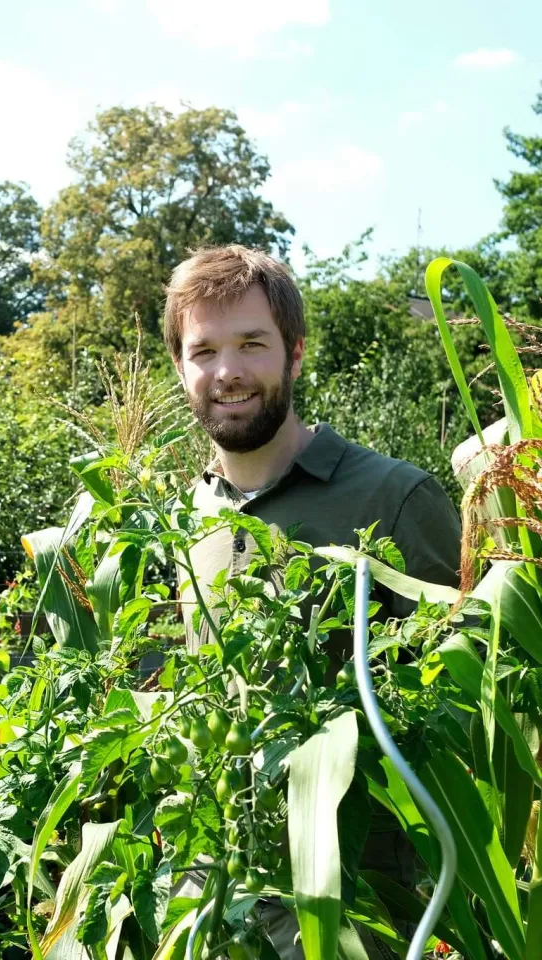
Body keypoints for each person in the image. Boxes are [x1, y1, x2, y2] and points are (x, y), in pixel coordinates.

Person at [162, 244, 462, 959]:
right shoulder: (177, 521)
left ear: (294, 354)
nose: (227, 372)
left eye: (252, 344)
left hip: (354, 907)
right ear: (180, 367)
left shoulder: (394, 498)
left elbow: (456, 711)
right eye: (204, 351)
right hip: (211, 896)